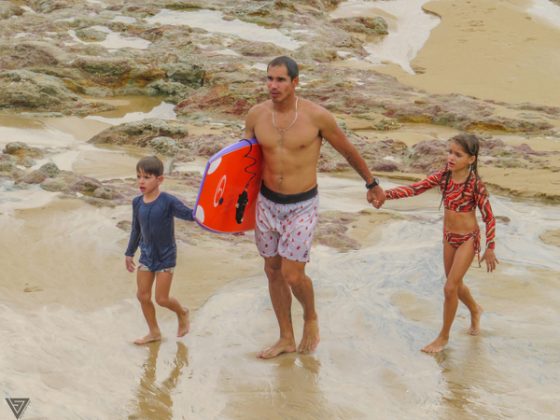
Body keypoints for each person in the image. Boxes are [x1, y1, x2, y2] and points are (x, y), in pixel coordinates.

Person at [244, 56, 385, 359]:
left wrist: (371, 184)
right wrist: (231, 208)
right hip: (267, 203)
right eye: (269, 79)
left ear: (295, 82)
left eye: (280, 80)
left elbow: (348, 151)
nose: (273, 85)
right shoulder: (256, 115)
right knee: (272, 270)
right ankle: (285, 337)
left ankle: (310, 316)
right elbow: (242, 162)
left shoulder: (317, 117)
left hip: (301, 206)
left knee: (293, 274)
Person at [383, 133, 499, 353]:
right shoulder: (443, 177)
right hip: (449, 237)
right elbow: (416, 188)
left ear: (471, 159)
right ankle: (475, 310)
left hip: (467, 239)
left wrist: (490, 247)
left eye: (458, 154)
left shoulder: (475, 186)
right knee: (454, 284)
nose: (451, 157)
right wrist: (384, 195)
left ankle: (443, 338)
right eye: (450, 152)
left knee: (449, 287)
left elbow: (489, 216)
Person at [125, 156, 194, 345]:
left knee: (162, 299)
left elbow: (191, 215)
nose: (141, 181)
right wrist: (129, 252)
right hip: (147, 255)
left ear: (160, 179)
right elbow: (136, 229)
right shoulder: (137, 202)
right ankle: (154, 332)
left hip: (166, 256)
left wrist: (213, 215)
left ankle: (182, 312)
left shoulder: (167, 201)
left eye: (147, 177)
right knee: (143, 295)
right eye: (138, 176)